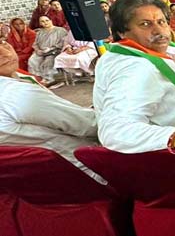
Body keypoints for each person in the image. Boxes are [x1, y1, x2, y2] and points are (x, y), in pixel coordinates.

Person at [93, 0, 175, 174]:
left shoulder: (166, 50)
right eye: (145, 24)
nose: (159, 31)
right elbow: (115, 130)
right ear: (121, 31)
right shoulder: (135, 67)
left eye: (161, 22)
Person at [0, 40, 100, 181]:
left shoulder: (15, 83)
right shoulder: (14, 93)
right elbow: (88, 125)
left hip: (27, 184)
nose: (5, 53)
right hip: (79, 172)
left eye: (3, 42)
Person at [28, 16, 68, 87]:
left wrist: (50, 48)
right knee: (32, 60)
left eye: (47, 20)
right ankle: (39, 79)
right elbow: (35, 43)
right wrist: (37, 50)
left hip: (54, 51)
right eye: (42, 21)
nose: (45, 23)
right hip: (41, 52)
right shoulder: (39, 32)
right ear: (40, 23)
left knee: (48, 61)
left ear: (51, 20)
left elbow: (63, 42)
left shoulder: (60, 30)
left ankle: (49, 79)